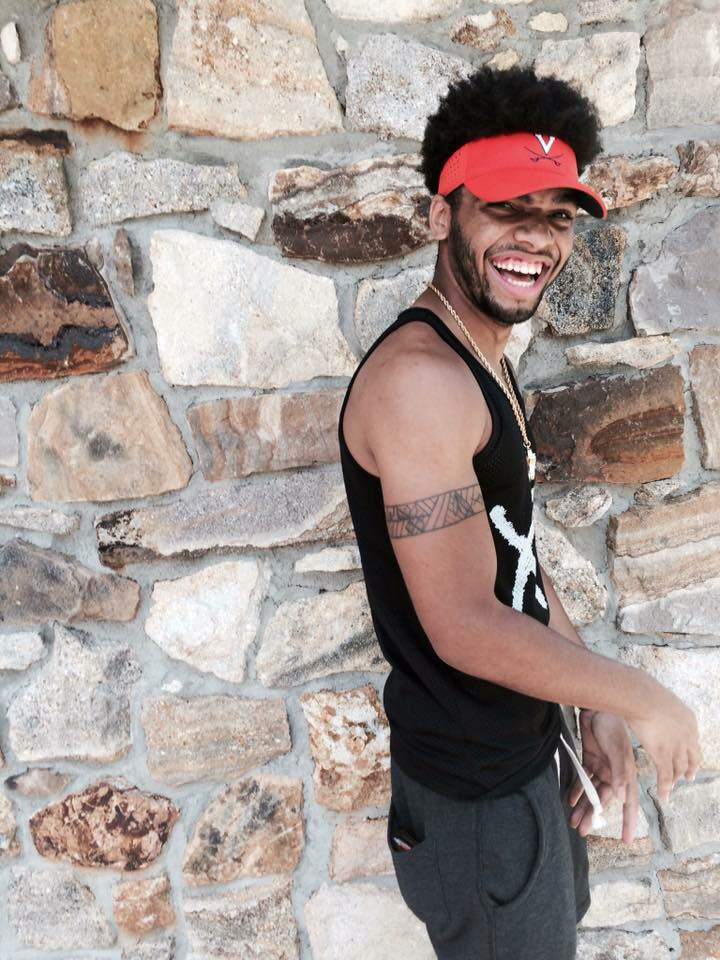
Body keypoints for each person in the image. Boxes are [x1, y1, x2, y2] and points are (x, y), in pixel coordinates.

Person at [337, 65, 701, 960]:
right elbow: (463, 624)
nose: (535, 236)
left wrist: (586, 704)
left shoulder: (482, 352)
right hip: (479, 804)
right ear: (441, 215)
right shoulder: (422, 383)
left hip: (520, 765)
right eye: (505, 208)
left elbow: (515, 559)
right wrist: (642, 698)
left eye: (557, 215)